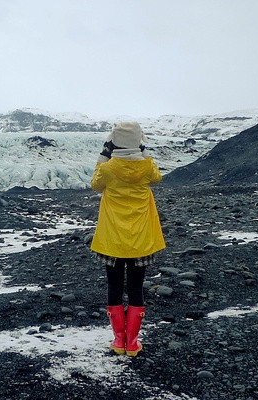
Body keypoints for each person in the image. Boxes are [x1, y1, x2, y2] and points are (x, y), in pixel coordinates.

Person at [90, 121, 165, 357]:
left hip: (112, 238)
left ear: (113, 142)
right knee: (135, 286)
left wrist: (104, 156)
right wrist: (143, 151)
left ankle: (118, 340)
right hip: (140, 238)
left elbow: (95, 185)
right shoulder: (146, 167)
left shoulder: (109, 169)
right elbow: (157, 178)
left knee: (114, 285)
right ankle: (132, 343)